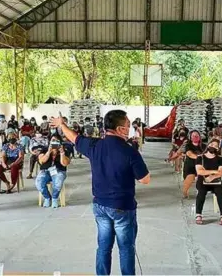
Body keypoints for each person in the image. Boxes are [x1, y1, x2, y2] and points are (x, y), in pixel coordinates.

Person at [50, 110, 150, 276]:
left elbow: (74, 137)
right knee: (126, 249)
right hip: (122, 207)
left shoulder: (94, 145)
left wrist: (62, 124)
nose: (129, 129)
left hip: (100, 206)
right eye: (127, 125)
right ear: (120, 129)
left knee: (104, 247)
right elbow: (145, 179)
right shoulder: (129, 151)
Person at [194, 139, 222, 225]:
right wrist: (214, 171)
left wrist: (212, 176)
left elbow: (221, 172)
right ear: (208, 145)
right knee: (201, 193)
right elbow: (200, 172)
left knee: (220, 194)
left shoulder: (220, 159)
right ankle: (198, 214)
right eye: (212, 144)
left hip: (215, 181)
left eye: (216, 146)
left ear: (218, 148)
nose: (213, 146)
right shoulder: (200, 158)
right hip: (202, 181)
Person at [36, 134, 71, 208]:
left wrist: (62, 153)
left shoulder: (65, 150)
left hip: (59, 170)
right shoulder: (44, 149)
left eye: (56, 141)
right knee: (39, 182)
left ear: (60, 142)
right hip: (45, 170)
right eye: (52, 141)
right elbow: (41, 161)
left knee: (58, 180)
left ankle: (55, 198)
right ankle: (47, 197)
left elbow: (64, 164)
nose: (54, 142)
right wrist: (48, 152)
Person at [183, 130, 205, 197]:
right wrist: (198, 157)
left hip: (200, 166)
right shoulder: (188, 145)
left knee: (201, 178)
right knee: (189, 178)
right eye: (193, 136)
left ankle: (200, 191)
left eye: (197, 135)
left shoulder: (204, 146)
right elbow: (189, 154)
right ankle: (185, 192)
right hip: (190, 166)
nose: (195, 137)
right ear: (190, 137)